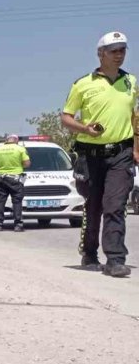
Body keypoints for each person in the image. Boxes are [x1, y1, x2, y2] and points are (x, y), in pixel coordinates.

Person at [61, 31, 139, 278]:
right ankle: (90, 253)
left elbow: (134, 118)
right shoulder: (83, 83)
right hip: (89, 155)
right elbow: (65, 117)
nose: (119, 55)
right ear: (100, 54)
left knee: (115, 205)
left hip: (121, 153)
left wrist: (136, 148)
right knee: (93, 205)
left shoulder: (132, 83)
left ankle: (116, 259)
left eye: (123, 50)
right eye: (114, 51)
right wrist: (84, 128)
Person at [0, 134, 31, 231]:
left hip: (1, 179)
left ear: (6, 140)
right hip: (15, 179)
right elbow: (27, 164)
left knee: (0, 201)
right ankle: (18, 224)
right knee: (17, 201)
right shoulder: (20, 149)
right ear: (16, 140)